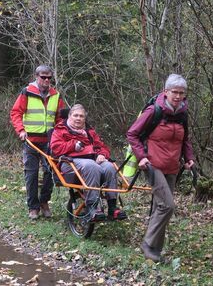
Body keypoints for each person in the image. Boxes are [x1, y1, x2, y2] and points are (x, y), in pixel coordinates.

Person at [126, 73, 196, 262]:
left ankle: (155, 251)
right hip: (153, 164)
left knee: (160, 206)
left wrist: (189, 158)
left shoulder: (182, 113)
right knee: (167, 205)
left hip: (172, 166)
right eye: (175, 92)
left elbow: (185, 138)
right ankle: (148, 245)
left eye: (182, 93)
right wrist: (141, 157)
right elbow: (132, 134)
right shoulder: (153, 110)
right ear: (166, 91)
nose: (178, 96)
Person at [50, 104, 127, 221]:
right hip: (69, 165)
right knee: (91, 166)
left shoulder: (89, 131)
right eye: (75, 115)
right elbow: (55, 149)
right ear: (69, 116)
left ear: (84, 119)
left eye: (81, 116)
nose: (78, 118)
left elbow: (103, 147)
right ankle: (92, 208)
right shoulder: (60, 129)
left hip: (91, 163)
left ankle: (112, 207)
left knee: (109, 167)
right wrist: (73, 145)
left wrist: (102, 154)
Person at [10, 65, 66, 220]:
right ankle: (33, 207)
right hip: (30, 142)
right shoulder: (27, 92)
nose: (46, 80)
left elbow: (60, 119)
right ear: (36, 76)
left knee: (51, 172)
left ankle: (44, 202)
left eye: (49, 77)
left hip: (49, 142)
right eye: (43, 77)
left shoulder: (56, 95)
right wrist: (21, 130)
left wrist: (60, 135)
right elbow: (16, 112)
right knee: (31, 174)